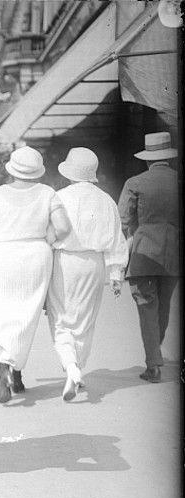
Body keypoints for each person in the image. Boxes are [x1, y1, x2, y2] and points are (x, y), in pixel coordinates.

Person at [0, 146, 71, 404]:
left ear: (11, 168)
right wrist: (47, 238)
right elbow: (63, 228)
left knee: (2, 314)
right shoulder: (48, 193)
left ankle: (5, 368)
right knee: (26, 316)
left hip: (3, 256)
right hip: (36, 255)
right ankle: (16, 373)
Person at [47, 148, 129, 400]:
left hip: (64, 261)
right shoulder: (106, 200)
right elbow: (117, 239)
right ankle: (78, 367)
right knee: (85, 321)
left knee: (61, 317)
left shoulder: (59, 197)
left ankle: (71, 367)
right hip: (95, 264)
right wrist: (116, 274)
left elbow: (48, 233)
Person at [117, 131, 180, 383]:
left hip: (143, 255)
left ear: (147, 159)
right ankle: (155, 354)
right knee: (163, 308)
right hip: (173, 255)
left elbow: (122, 219)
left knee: (147, 308)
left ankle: (153, 364)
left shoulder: (135, 183)